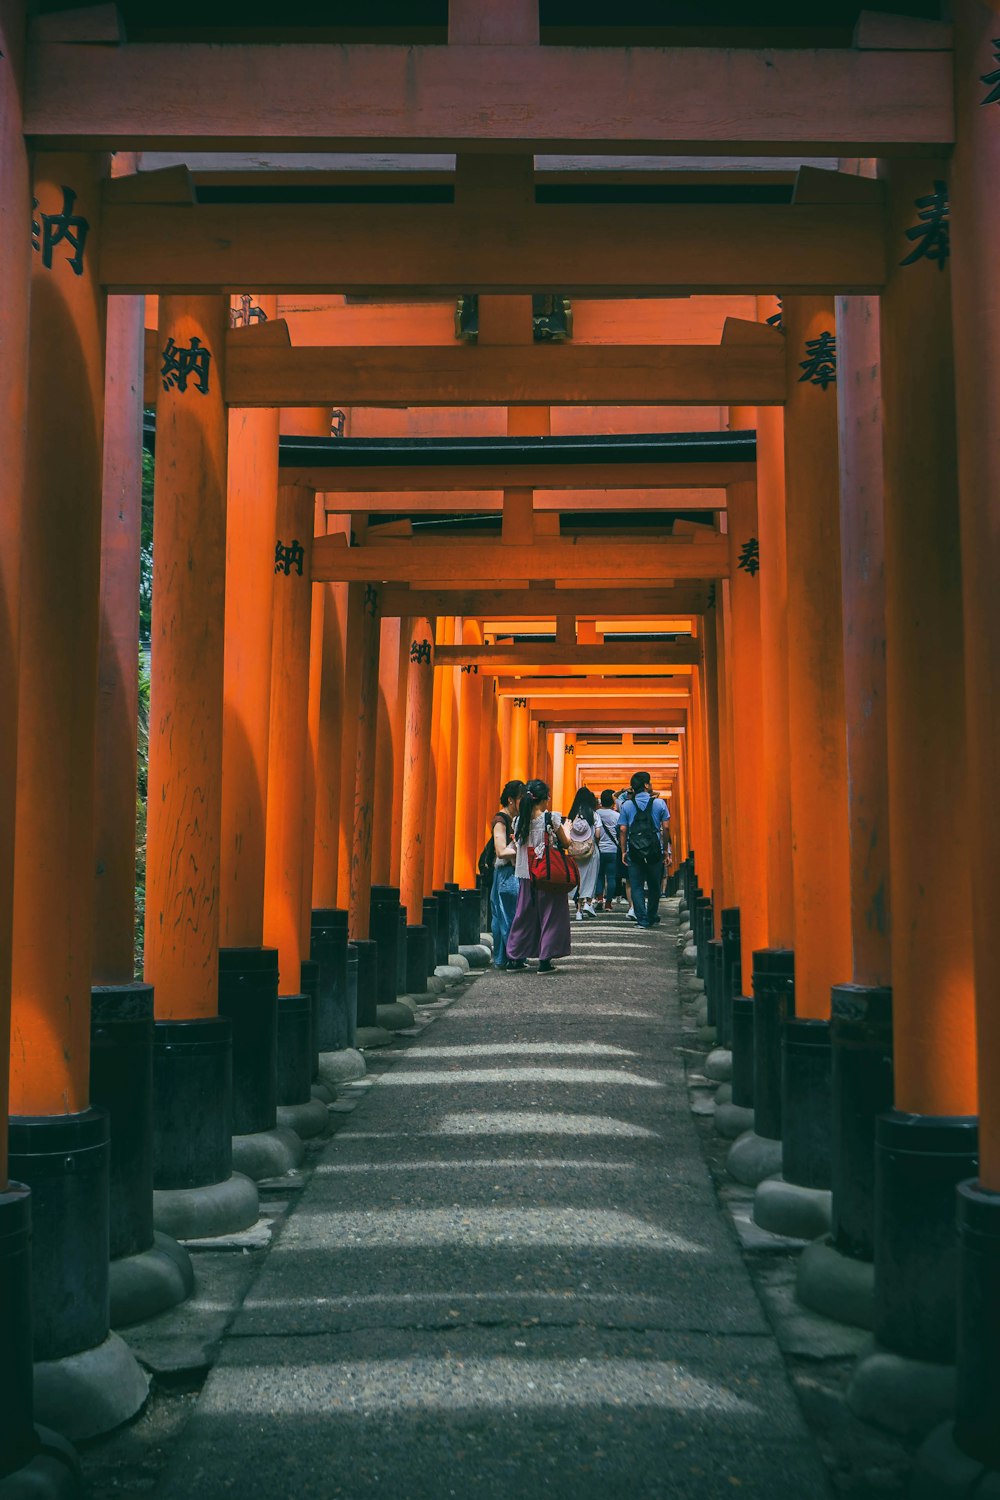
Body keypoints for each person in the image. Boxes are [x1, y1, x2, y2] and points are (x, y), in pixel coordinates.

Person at [505, 778, 573, 974]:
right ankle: (545, 960)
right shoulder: (550, 818)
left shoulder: (519, 820)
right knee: (551, 916)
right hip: (547, 874)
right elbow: (566, 843)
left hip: (526, 874)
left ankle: (515, 958)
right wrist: (566, 830)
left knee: (524, 916)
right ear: (544, 799)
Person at [617, 770, 670, 929]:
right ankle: (652, 915)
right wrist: (665, 849)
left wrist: (624, 850)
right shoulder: (659, 804)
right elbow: (666, 828)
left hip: (635, 850)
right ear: (646, 785)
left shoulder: (627, 805)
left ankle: (642, 919)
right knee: (654, 885)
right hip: (654, 849)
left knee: (636, 885)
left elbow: (623, 830)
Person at [489, 779, 525, 969]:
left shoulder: (514, 819)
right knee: (509, 916)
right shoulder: (501, 820)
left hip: (508, 873)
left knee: (502, 916)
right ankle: (512, 957)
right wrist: (525, 850)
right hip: (506, 873)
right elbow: (500, 851)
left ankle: (503, 958)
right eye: (521, 798)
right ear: (511, 800)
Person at [566, 785, 600, 921]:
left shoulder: (571, 814)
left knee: (577, 879)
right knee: (590, 879)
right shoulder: (594, 815)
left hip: (575, 852)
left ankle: (578, 910)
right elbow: (598, 834)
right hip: (590, 852)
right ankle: (588, 903)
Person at [594, 789, 620, 911]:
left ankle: (599, 897)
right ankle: (608, 903)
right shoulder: (617, 815)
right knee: (611, 877)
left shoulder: (595, 813)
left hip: (599, 849)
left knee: (599, 875)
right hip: (613, 850)